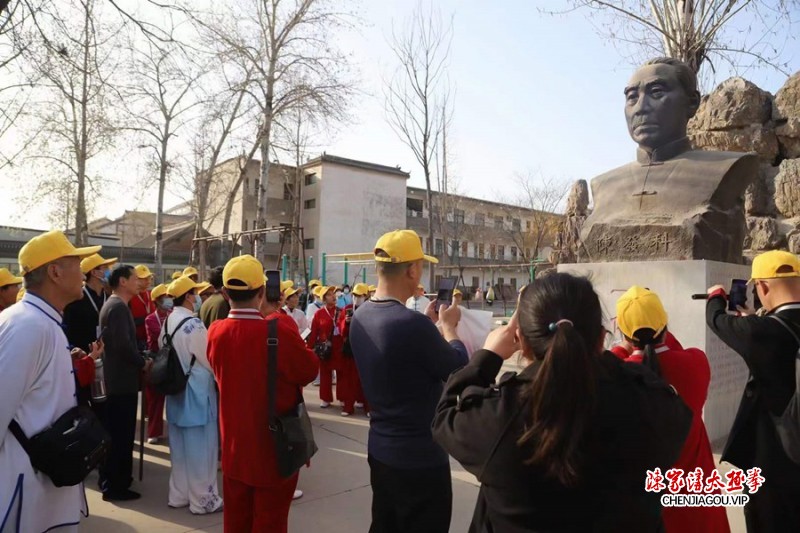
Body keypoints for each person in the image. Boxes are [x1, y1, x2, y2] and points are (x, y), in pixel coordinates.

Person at [432, 272, 694, 532]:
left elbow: (446, 415)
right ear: (602, 338)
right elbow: (676, 413)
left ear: (521, 341)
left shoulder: (498, 418)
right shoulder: (651, 407)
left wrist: (487, 356)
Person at [350, 229, 469, 533]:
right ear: (412, 269)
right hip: (419, 458)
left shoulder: (362, 315)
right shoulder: (411, 325)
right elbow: (458, 368)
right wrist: (448, 328)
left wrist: (428, 328)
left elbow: (401, 358)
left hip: (381, 449)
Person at [208, 255, 318, 532]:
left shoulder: (216, 331)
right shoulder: (278, 328)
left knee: (236, 521)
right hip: (273, 447)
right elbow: (308, 370)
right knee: (270, 522)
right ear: (262, 292)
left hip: (234, 448)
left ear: (224, 293)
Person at [0, 230, 100, 532]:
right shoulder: (27, 325)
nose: (82, 271)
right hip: (28, 488)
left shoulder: (42, 321)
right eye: (76, 262)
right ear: (55, 272)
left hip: (45, 484)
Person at [616, 286, 729, 533]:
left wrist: (625, 347)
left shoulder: (617, 375)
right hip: (697, 505)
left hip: (646, 509)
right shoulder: (696, 363)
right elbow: (672, 350)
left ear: (621, 331)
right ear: (665, 326)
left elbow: (615, 357)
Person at [706, 250, 800, 532]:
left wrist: (715, 298)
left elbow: (718, 321)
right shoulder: (761, 328)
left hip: (774, 461)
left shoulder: (760, 332)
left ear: (762, 286)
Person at [161, 276, 223, 514]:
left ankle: (179, 495)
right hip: (197, 394)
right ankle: (203, 500)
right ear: (188, 296)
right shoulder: (193, 325)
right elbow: (209, 359)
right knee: (202, 450)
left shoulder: (169, 321)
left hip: (175, 393)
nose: (198, 297)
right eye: (195, 293)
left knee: (179, 450)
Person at [99, 264, 152, 501]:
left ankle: (114, 480)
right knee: (121, 436)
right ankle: (116, 485)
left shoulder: (116, 305)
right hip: (121, 383)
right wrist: (142, 362)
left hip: (118, 381)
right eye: (134, 279)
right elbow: (123, 346)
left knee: (119, 434)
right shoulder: (118, 307)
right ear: (122, 281)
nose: (138, 283)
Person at [63, 253, 116, 407]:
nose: (108, 272)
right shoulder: (76, 299)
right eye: (105, 269)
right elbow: (67, 333)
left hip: (108, 361)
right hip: (86, 361)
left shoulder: (109, 297)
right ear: (94, 272)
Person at [144, 283, 172, 444]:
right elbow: (160, 337)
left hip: (172, 359)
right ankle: (153, 432)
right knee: (155, 399)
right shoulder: (150, 319)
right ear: (156, 302)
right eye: (164, 298)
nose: (168, 301)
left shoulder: (172, 315)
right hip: (156, 360)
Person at [337, 282, 370, 417]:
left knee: (367, 380)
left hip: (366, 350)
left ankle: (369, 407)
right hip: (350, 349)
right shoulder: (347, 309)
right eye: (355, 295)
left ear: (365, 296)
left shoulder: (370, 309)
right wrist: (346, 321)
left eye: (360, 295)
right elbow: (341, 330)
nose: (357, 298)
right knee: (349, 380)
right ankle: (348, 406)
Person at [307, 285, 341, 408]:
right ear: (324, 299)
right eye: (329, 294)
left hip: (339, 347)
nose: (333, 296)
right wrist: (309, 349)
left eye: (333, 294)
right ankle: (325, 398)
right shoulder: (319, 314)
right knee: (325, 373)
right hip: (325, 348)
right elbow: (314, 332)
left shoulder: (340, 311)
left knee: (340, 373)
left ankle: (342, 397)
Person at [130, 265, 155, 352]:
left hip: (150, 339)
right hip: (135, 341)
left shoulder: (151, 294)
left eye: (149, 277)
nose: (148, 281)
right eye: (144, 278)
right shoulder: (130, 296)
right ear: (136, 280)